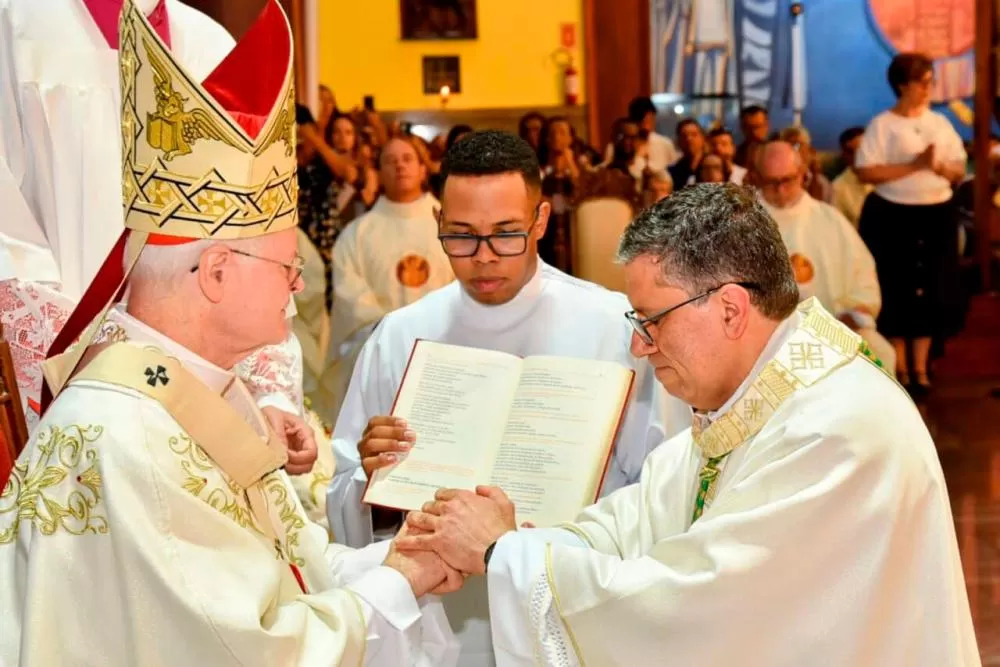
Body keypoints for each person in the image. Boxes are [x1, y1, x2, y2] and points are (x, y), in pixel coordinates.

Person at [0, 2, 459, 664]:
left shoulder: (205, 398)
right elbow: (255, 647)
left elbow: (290, 569)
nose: (299, 289)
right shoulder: (128, 438)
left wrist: (399, 558)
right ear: (216, 271)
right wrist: (400, 582)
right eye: (287, 267)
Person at [396, 184, 979, 667]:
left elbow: (699, 608)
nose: (638, 345)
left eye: (652, 320)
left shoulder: (838, 430)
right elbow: (637, 521)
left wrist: (501, 553)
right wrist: (512, 542)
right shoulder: (757, 401)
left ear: (730, 308)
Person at [327, 130, 692, 665]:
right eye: (461, 236)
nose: (483, 258)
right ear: (438, 223)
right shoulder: (400, 336)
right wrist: (372, 479)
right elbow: (345, 504)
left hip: (571, 604)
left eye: (505, 234)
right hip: (444, 618)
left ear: (540, 221)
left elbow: (666, 482)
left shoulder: (615, 329)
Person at [0, 0, 306, 434]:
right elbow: (11, 245)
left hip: (208, 397)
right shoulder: (16, 25)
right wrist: (103, 371)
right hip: (77, 383)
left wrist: (265, 393)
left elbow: (254, 242)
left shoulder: (209, 42)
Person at [319, 136, 454, 422]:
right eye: (390, 161)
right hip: (381, 359)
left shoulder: (452, 227)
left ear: (423, 168)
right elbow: (350, 296)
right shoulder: (357, 233)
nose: (399, 166)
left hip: (445, 354)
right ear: (378, 172)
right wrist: (392, 331)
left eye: (407, 159)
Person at [855, 52, 967, 395]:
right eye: (922, 82)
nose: (928, 89)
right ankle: (900, 366)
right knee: (896, 285)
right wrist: (914, 165)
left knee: (931, 287)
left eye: (930, 82)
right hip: (893, 215)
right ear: (903, 85)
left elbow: (957, 168)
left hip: (936, 214)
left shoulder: (940, 123)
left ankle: (921, 366)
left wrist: (938, 167)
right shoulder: (883, 124)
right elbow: (866, 170)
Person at [756, 141, 895, 372]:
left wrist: (853, 314)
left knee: (882, 354)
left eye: (787, 180)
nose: (781, 190)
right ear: (757, 178)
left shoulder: (830, 220)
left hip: (832, 326)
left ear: (803, 175)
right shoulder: (744, 224)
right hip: (766, 337)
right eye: (772, 182)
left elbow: (863, 276)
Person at [830, 126, 873, 227]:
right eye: (852, 152)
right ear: (845, 156)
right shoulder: (838, 187)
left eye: (863, 150)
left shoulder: (890, 175)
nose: (859, 157)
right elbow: (838, 227)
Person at [627, 96, 679, 171]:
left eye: (650, 121)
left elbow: (674, 171)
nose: (646, 127)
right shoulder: (624, 146)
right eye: (642, 122)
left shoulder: (665, 144)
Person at [668, 118, 707, 189]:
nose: (689, 139)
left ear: (703, 138)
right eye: (684, 136)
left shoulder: (711, 166)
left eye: (694, 135)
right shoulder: (673, 172)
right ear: (678, 141)